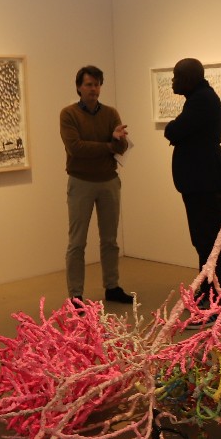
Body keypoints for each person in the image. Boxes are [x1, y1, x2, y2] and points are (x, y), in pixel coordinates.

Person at [59, 65, 134, 304]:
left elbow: (122, 147)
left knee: (110, 240)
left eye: (97, 84)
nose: (94, 89)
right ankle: (76, 295)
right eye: (89, 84)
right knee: (77, 242)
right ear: (79, 87)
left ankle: (112, 287)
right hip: (81, 182)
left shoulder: (111, 113)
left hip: (109, 181)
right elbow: (76, 148)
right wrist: (109, 145)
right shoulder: (68, 114)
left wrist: (116, 142)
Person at [163, 58, 221, 306]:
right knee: (205, 241)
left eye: (176, 76)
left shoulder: (201, 100)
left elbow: (173, 131)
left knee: (208, 242)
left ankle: (214, 297)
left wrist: (174, 130)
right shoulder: (199, 98)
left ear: (188, 78)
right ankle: (208, 291)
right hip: (203, 180)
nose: (173, 81)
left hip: (205, 181)